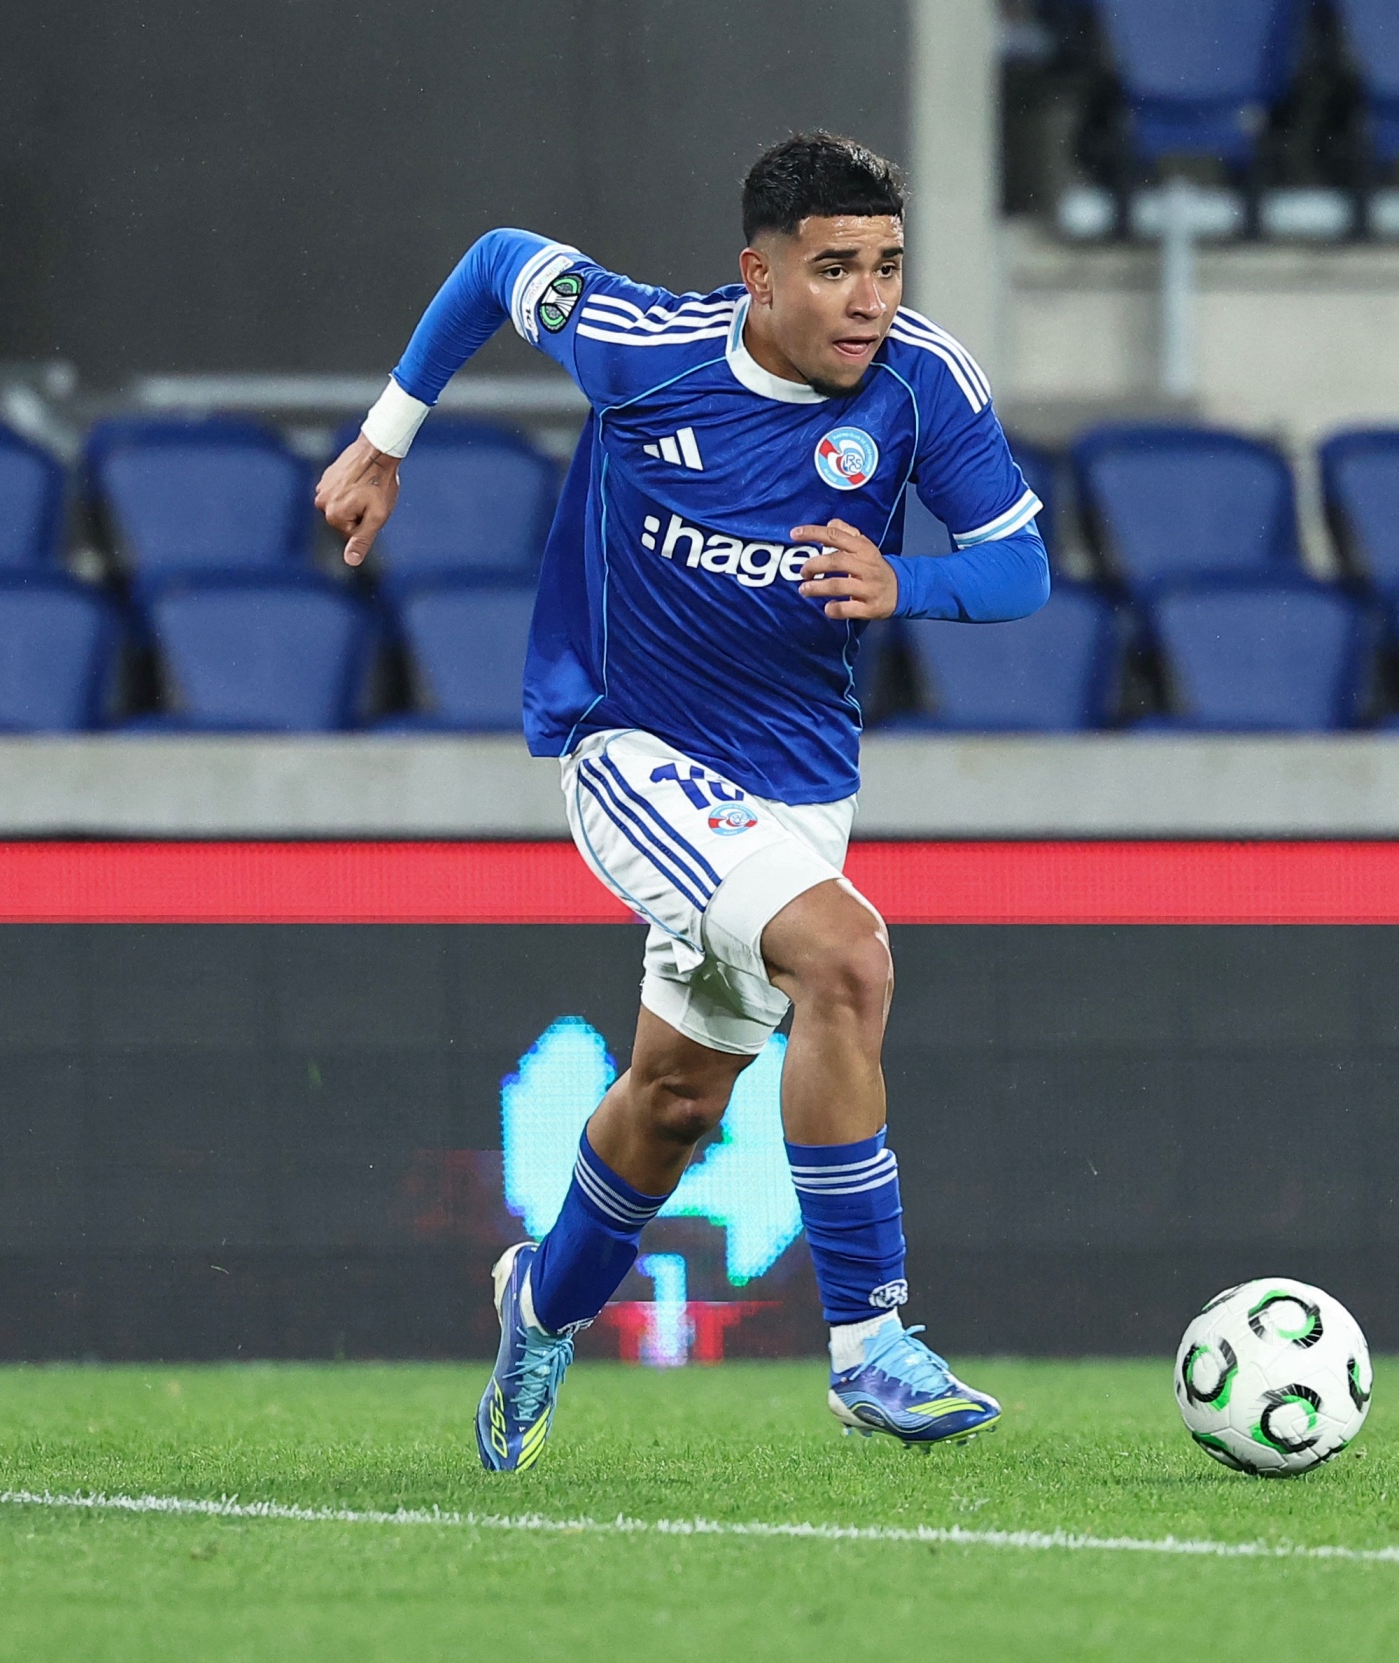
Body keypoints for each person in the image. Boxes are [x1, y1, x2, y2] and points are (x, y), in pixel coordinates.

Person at [317, 133, 1047, 1469]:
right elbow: (492, 267)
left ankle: (539, 1300)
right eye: (834, 269)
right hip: (626, 747)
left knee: (673, 1101)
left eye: (886, 265)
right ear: (757, 277)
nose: (869, 298)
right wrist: (385, 440)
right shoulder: (643, 347)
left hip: (800, 786)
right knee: (849, 957)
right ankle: (869, 1345)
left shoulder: (924, 381)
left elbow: (1021, 568)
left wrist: (908, 584)